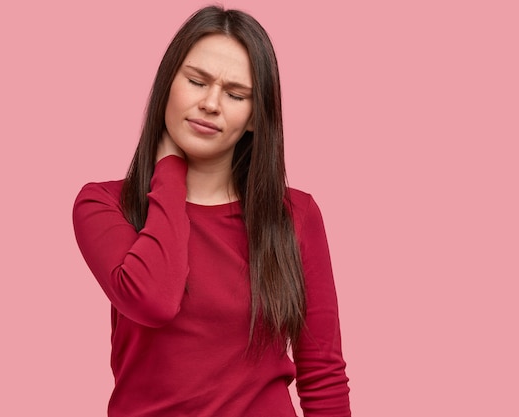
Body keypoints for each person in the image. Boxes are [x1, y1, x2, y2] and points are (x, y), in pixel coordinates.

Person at [73, 5, 350, 417]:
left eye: (236, 94)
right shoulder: (104, 205)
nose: (211, 104)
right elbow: (153, 301)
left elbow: (322, 375)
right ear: (168, 83)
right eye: (197, 82)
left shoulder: (295, 215)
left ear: (255, 116)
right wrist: (169, 173)